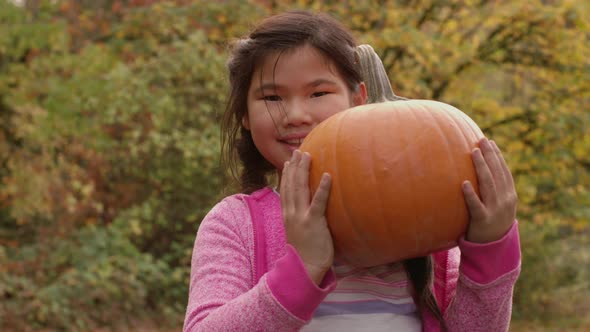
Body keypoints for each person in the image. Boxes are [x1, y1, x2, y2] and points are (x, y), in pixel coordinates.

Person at [183, 10, 520, 332]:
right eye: (271, 98)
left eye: (318, 93)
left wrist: (489, 246)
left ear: (358, 100)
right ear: (245, 114)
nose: (296, 114)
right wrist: (304, 268)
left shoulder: (427, 224)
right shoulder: (235, 224)